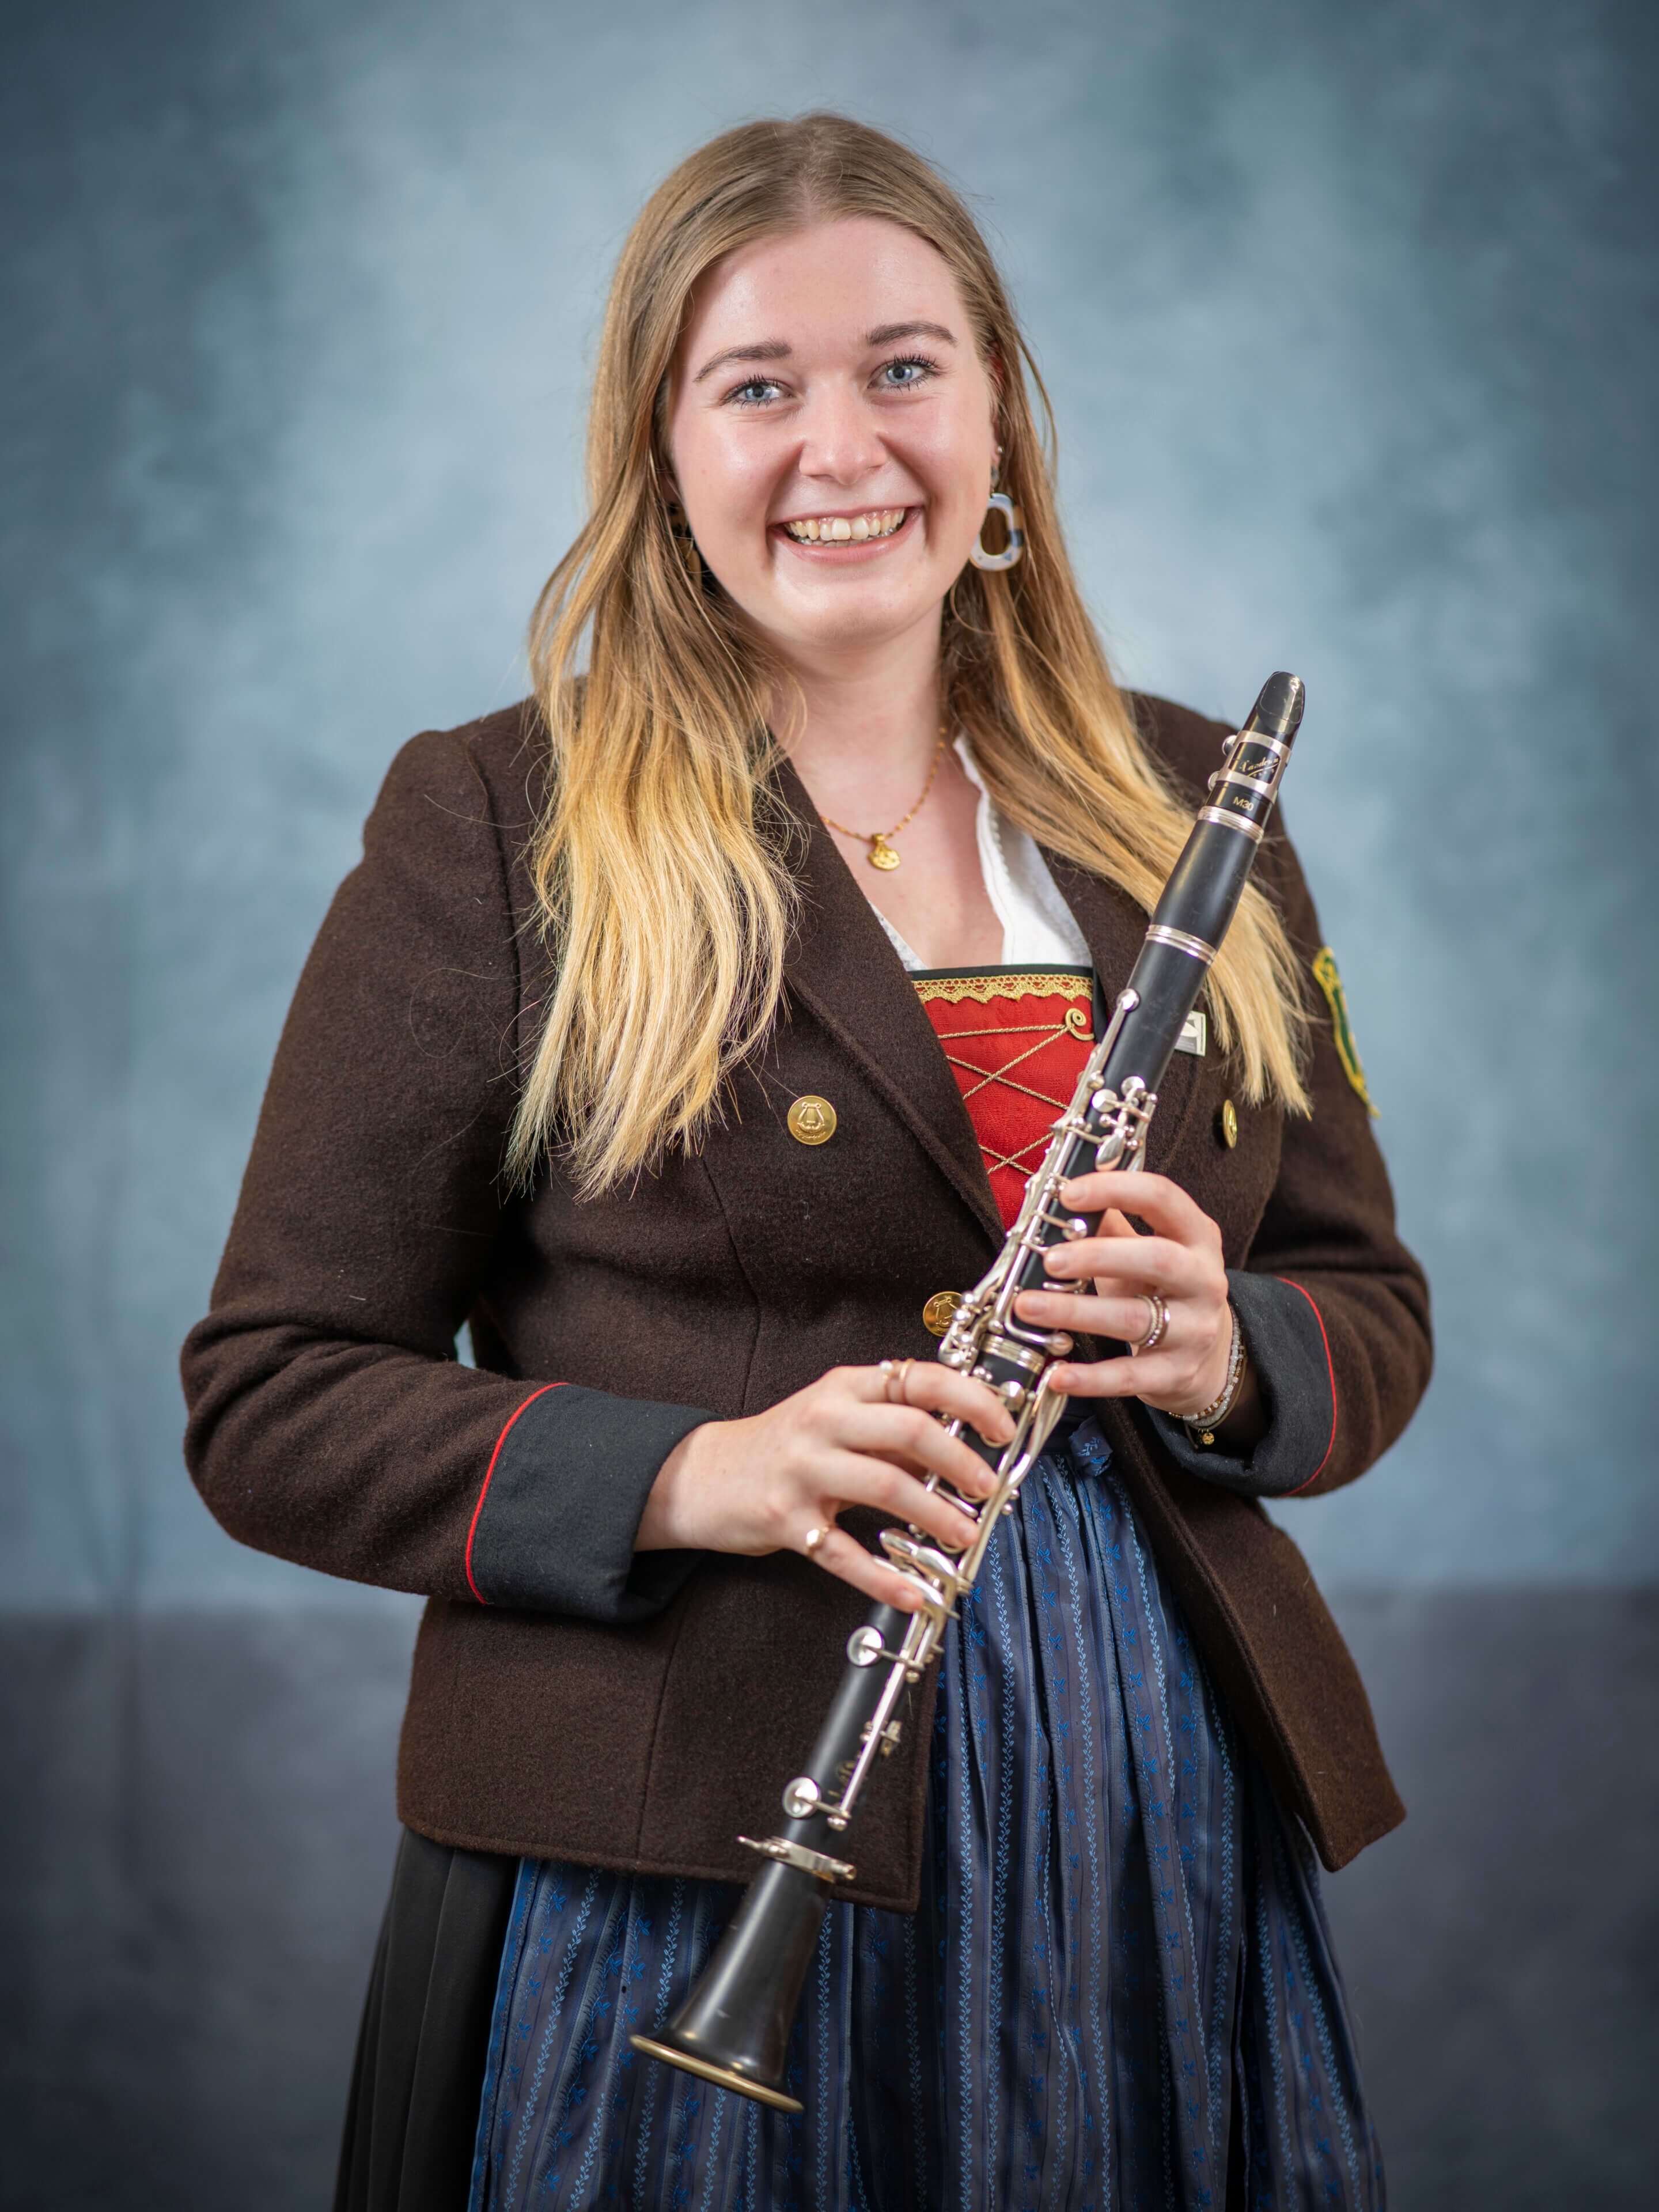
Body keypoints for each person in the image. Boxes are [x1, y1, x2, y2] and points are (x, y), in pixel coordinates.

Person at [182, 113, 1430, 2212]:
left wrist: (1225, 1353)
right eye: (758, 386)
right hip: (689, 1832)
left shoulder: (1187, 797)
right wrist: (698, 1472)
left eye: (904, 369)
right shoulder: (500, 823)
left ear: (998, 415)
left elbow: (1368, 1309)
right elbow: (270, 1397)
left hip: (1152, 1791)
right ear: (663, 450)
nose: (844, 447)